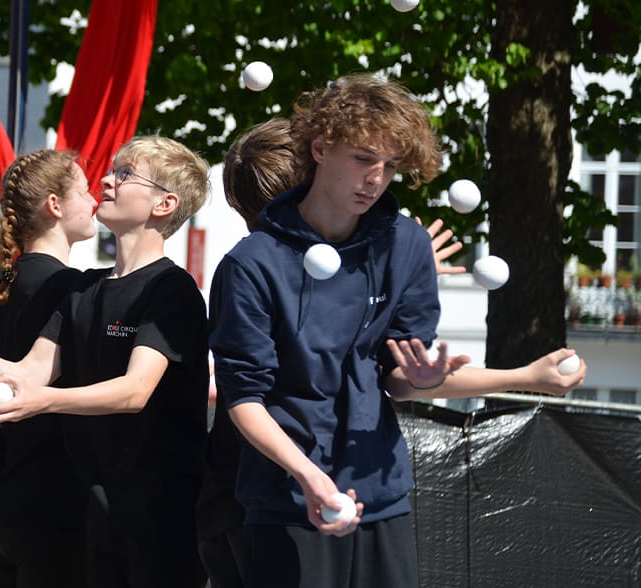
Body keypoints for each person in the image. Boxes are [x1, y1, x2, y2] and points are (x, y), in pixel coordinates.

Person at [208, 74, 587, 587]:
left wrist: (424, 379)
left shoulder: (404, 244)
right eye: (363, 159)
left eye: (389, 167)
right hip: (287, 497)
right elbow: (244, 397)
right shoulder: (251, 263)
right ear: (320, 148)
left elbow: (396, 382)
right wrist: (310, 478)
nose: (376, 178)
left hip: (380, 488)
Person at [0, 135, 212, 587]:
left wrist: (44, 400)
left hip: (158, 507)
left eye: (124, 174)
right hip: (93, 507)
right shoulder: (83, 289)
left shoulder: (172, 289)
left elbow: (135, 391)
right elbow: (21, 376)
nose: (106, 180)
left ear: (164, 204)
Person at [0, 149, 98, 588]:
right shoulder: (71, 287)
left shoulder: (8, 281)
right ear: (55, 205)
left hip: (0, 498)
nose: (95, 199)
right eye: (83, 189)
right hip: (52, 502)